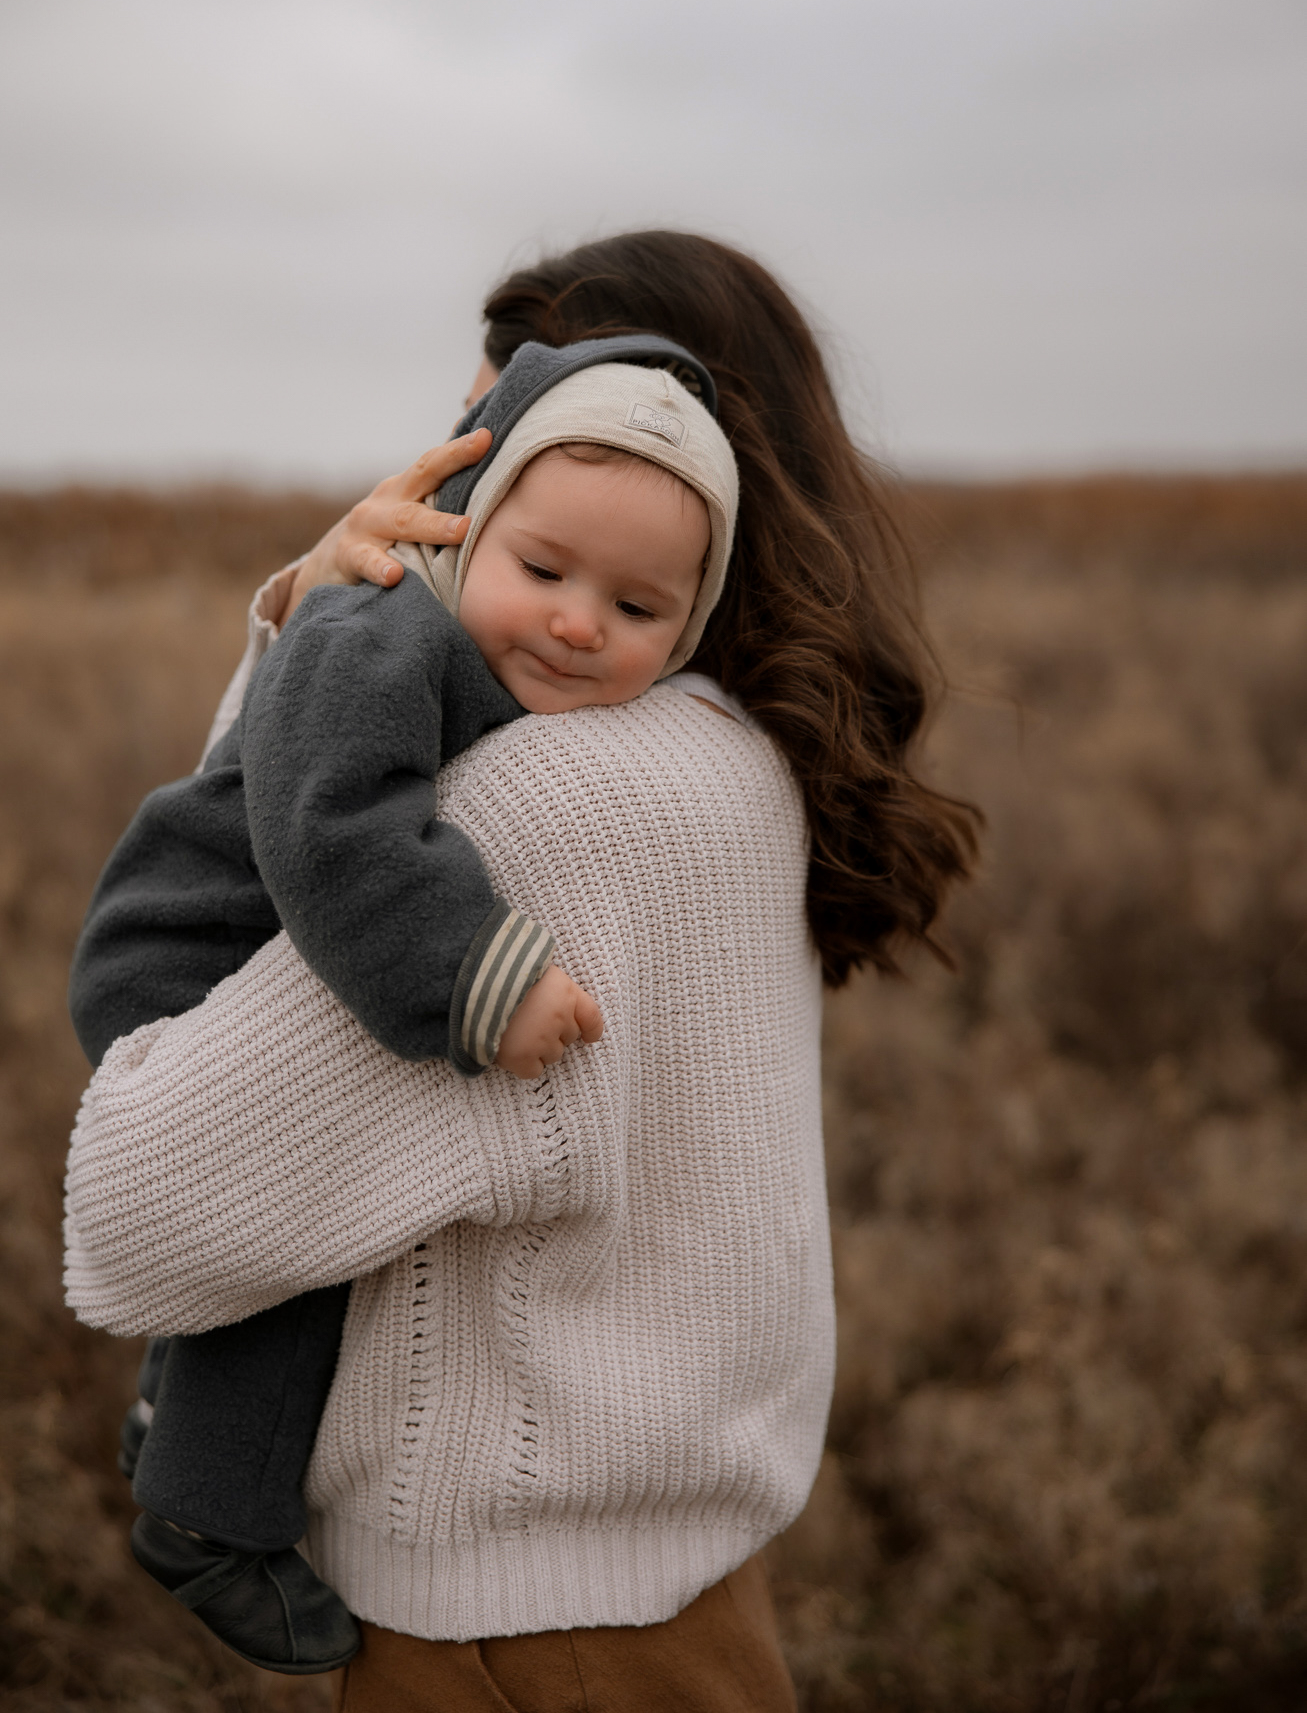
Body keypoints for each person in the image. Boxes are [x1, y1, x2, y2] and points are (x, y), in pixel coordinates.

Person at [66, 231, 978, 1710]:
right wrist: (315, 620)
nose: (428, 483)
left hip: (513, 1641)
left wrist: (328, 646)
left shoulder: (545, 802)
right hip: (655, 1599)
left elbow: (146, 1195)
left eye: (473, 435)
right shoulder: (723, 754)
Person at [68, 338, 738, 1672]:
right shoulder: (376, 626)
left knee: (308, 1206)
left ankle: (168, 1417)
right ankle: (206, 1515)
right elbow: (336, 830)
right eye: (542, 572)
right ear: (465, 529)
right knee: (304, 1220)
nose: (576, 623)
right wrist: (480, 976)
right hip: (188, 942)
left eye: (635, 608)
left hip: (277, 922)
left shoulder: (524, 666)